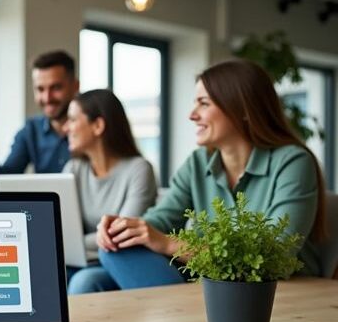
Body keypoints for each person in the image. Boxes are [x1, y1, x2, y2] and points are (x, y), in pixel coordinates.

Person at [69, 59, 327, 295]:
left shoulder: (293, 162)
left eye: (204, 103)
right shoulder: (198, 163)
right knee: (98, 269)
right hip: (207, 279)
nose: (192, 115)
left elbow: (271, 258)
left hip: (272, 291)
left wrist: (169, 245)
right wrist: (125, 228)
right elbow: (161, 219)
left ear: (243, 109)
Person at [61, 90, 157, 294]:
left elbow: (121, 234)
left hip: (117, 261)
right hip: (79, 259)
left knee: (84, 282)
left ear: (98, 125)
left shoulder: (139, 169)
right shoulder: (74, 169)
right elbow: (61, 231)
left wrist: (73, 243)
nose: (65, 128)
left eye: (72, 120)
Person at [0, 50, 79, 188]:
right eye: (40, 89)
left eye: (56, 88)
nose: (47, 98)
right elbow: (0, 185)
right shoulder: (31, 130)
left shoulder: (93, 128)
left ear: (75, 86)